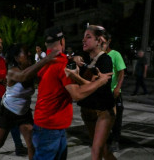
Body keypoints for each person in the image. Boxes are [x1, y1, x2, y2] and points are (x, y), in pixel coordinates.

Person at [33, 26, 112, 160]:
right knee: (98, 149)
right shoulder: (62, 63)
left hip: (48, 124)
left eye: (88, 36)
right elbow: (77, 94)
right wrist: (100, 81)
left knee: (98, 149)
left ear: (46, 44)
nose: (83, 40)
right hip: (51, 126)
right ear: (62, 42)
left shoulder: (48, 61)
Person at [0, 45, 59, 160]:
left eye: (29, 52)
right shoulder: (12, 71)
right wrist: (46, 59)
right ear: (17, 58)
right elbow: (23, 76)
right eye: (26, 52)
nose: (29, 54)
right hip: (8, 111)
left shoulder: (31, 70)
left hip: (23, 112)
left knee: (31, 144)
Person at [74, 25, 116, 160]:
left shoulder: (105, 60)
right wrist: (75, 58)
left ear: (99, 41)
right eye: (83, 37)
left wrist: (76, 77)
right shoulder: (84, 59)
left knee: (96, 151)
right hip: (87, 110)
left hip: (102, 112)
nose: (83, 40)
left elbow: (96, 86)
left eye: (88, 37)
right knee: (103, 150)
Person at [102, 33, 126, 150]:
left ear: (109, 41)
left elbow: (121, 72)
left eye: (104, 42)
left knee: (116, 118)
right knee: (103, 118)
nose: (102, 44)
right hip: (102, 93)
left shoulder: (115, 55)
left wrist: (117, 88)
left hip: (114, 92)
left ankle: (115, 140)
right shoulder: (98, 55)